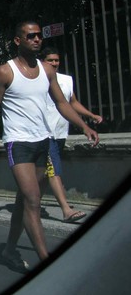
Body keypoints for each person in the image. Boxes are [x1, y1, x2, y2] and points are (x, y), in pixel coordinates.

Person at [0, 21, 99, 272]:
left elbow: (62, 103)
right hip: (18, 143)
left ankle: (10, 250)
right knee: (33, 200)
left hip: (42, 141)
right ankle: (47, 262)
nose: (36, 40)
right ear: (17, 41)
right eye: (30, 36)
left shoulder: (47, 70)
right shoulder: (5, 72)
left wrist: (84, 125)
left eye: (38, 36)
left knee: (24, 200)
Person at [42, 48, 103, 223]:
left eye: (56, 60)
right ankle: (66, 209)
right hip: (45, 133)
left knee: (47, 172)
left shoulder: (66, 80)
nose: (54, 63)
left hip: (61, 133)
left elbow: (72, 102)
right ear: (42, 61)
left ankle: (30, 204)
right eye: (50, 60)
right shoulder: (38, 80)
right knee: (54, 171)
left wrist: (91, 116)